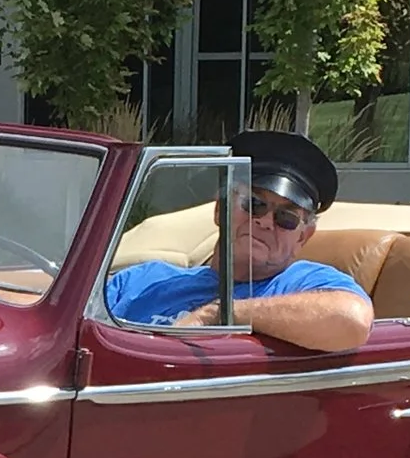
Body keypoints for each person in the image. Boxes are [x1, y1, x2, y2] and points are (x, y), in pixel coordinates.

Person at [103, 131, 373, 351]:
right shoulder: (144, 279)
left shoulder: (303, 285)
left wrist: (218, 314)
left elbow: (352, 320)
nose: (266, 221)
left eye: (286, 218)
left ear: (303, 236)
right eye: (254, 204)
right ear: (221, 209)